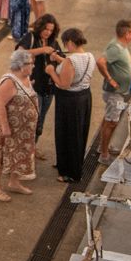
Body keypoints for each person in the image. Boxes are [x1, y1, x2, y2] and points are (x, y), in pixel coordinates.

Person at [0, 47, 40, 201]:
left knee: (18, 154)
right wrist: (5, 127)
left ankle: (14, 182)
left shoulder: (26, 77)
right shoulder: (9, 82)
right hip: (10, 128)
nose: (33, 66)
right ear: (21, 65)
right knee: (2, 153)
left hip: (22, 130)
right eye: (30, 63)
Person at [49, 27, 98, 184]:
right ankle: (74, 165)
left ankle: (68, 172)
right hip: (84, 97)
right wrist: (59, 60)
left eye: (65, 43)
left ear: (70, 42)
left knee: (66, 134)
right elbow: (76, 69)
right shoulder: (89, 56)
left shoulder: (71, 60)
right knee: (79, 133)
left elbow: (64, 84)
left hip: (69, 101)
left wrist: (51, 71)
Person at [97, 19, 131, 158]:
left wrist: (129, 69)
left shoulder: (122, 46)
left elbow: (118, 62)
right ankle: (104, 154)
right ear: (127, 33)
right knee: (111, 123)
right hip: (114, 93)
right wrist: (110, 79)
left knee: (109, 119)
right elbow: (100, 61)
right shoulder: (115, 47)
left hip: (118, 92)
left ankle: (102, 146)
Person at [25, 12, 62, 151]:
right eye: (46, 29)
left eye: (51, 30)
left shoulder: (54, 42)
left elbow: (62, 60)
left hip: (49, 87)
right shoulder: (31, 37)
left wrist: (56, 58)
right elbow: (19, 53)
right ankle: (27, 149)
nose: (48, 32)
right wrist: (42, 50)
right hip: (35, 85)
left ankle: (33, 148)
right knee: (34, 120)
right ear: (40, 27)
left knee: (40, 120)